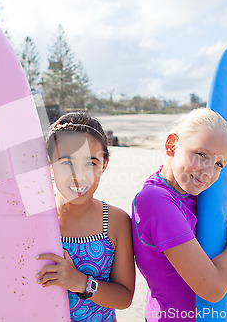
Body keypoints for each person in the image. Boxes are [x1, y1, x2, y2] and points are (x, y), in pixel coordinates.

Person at [132, 108, 227, 322]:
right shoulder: (155, 200)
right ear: (171, 145)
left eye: (219, 164)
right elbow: (213, 289)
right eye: (201, 155)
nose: (208, 172)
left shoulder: (188, 192)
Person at [36, 112, 135, 322]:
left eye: (90, 163)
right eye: (66, 162)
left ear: (104, 165)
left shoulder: (116, 222)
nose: (78, 175)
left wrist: (80, 282)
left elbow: (124, 297)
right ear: (48, 165)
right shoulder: (33, 222)